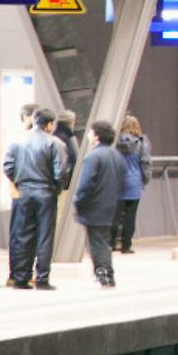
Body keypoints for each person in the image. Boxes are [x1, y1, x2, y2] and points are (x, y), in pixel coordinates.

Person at [4, 107, 66, 289]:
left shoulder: (17, 140)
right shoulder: (55, 143)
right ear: (50, 124)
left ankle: (21, 277)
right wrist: (56, 188)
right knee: (44, 236)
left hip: (23, 192)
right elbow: (60, 171)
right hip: (45, 193)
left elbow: (8, 165)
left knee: (22, 234)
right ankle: (42, 278)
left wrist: (18, 181)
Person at [70, 121, 125, 287]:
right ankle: (108, 273)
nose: (88, 135)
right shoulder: (116, 155)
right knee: (104, 240)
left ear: (97, 136)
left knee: (96, 242)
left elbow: (86, 184)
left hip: (95, 206)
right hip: (111, 205)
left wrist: (78, 202)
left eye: (90, 132)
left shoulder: (93, 157)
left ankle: (102, 274)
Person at [113, 115, 151, 254]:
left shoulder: (115, 141)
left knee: (115, 215)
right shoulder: (141, 143)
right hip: (134, 182)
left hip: (117, 182)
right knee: (130, 216)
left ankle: (111, 243)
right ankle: (126, 245)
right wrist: (145, 180)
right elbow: (145, 163)